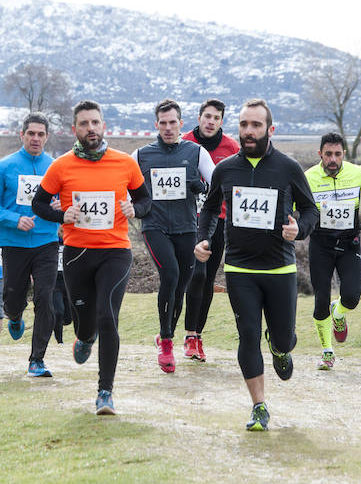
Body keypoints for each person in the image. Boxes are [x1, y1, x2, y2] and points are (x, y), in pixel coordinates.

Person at [194, 98, 318, 431]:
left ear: (270, 129)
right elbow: (209, 209)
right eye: (244, 125)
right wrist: (203, 238)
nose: (249, 131)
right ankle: (259, 406)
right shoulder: (226, 169)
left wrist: (298, 229)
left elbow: (311, 211)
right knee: (247, 336)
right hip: (239, 268)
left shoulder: (288, 168)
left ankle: (280, 348)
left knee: (283, 337)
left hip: (279, 268)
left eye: (256, 125)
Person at [32, 100, 151, 415]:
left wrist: (135, 209)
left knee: (108, 317)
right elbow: (39, 205)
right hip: (77, 254)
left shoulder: (125, 163)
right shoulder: (61, 166)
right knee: (86, 324)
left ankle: (105, 392)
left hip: (115, 251)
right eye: (84, 124)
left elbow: (145, 199)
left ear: (103, 126)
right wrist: (62, 215)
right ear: (75, 129)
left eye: (95, 123)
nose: (90, 129)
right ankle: (84, 338)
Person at [133, 98, 215, 373]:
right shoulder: (141, 155)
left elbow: (216, 186)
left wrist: (200, 188)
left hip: (187, 228)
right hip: (154, 226)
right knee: (169, 275)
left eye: (173, 123)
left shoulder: (196, 152)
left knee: (181, 285)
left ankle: (164, 331)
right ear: (156, 125)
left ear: (181, 124)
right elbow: (124, 187)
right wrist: (131, 205)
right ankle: (166, 341)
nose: (168, 128)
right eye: (163, 123)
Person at [0, 112, 59, 377]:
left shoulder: (56, 166)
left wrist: (60, 206)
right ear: (22, 135)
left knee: (45, 299)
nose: (35, 138)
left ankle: (37, 360)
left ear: (47, 137)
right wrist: (15, 219)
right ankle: (14, 317)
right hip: (14, 242)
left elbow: (68, 199)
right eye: (31, 133)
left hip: (47, 241)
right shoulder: (4, 167)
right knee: (12, 299)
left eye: (40, 134)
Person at [305, 132, 361, 370]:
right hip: (320, 244)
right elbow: (294, 205)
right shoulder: (308, 177)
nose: (333, 159)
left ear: (343, 155)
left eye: (337, 154)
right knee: (320, 300)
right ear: (320, 154)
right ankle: (327, 351)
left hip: (350, 243)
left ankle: (338, 313)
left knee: (351, 297)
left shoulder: (357, 172)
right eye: (328, 154)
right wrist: (297, 223)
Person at [182, 98, 241, 361]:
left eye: (216, 118)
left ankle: (195, 336)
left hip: (218, 219)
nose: (211, 122)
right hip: (185, 220)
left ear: (221, 122)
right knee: (188, 275)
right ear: (199, 117)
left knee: (205, 277)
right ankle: (174, 332)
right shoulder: (183, 142)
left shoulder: (231, 147)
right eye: (207, 116)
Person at [51, 225, 72, 345]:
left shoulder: (72, 240)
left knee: (68, 318)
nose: (62, 230)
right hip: (54, 280)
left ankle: (58, 324)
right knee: (58, 311)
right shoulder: (52, 240)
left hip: (69, 280)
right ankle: (59, 340)